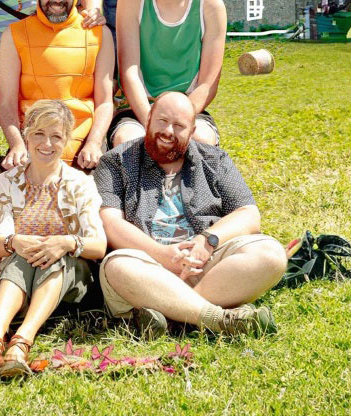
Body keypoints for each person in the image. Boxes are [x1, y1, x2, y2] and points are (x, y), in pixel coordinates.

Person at [95, 92, 287, 338]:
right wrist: (162, 255)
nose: (168, 131)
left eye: (179, 126)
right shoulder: (116, 162)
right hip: (149, 267)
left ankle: (173, 313)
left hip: (205, 266)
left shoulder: (214, 160)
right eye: (162, 121)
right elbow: (110, 223)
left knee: (271, 253)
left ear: (192, 129)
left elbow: (248, 213)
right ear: (148, 118)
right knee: (118, 265)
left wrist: (207, 241)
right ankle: (217, 318)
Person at [0, 100, 107, 376]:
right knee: (18, 254)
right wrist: (16, 242)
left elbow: (98, 246)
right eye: (39, 134)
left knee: (54, 255)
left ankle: (21, 342)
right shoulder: (6, 182)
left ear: (67, 140)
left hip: (69, 284)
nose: (46, 143)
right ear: (26, 134)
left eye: (56, 136)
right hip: (19, 279)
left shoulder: (79, 183)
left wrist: (68, 242)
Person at [0, 0, 115, 171]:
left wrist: (93, 143)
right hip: (33, 148)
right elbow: (7, 104)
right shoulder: (14, 34)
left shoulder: (99, 33)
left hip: (83, 149)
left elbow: (104, 102)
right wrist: (17, 145)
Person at [112, 0, 226, 147]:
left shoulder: (210, 4)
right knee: (128, 141)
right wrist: (152, 122)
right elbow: (129, 71)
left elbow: (208, 83)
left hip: (187, 106)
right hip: (140, 106)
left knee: (201, 139)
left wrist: (178, 123)